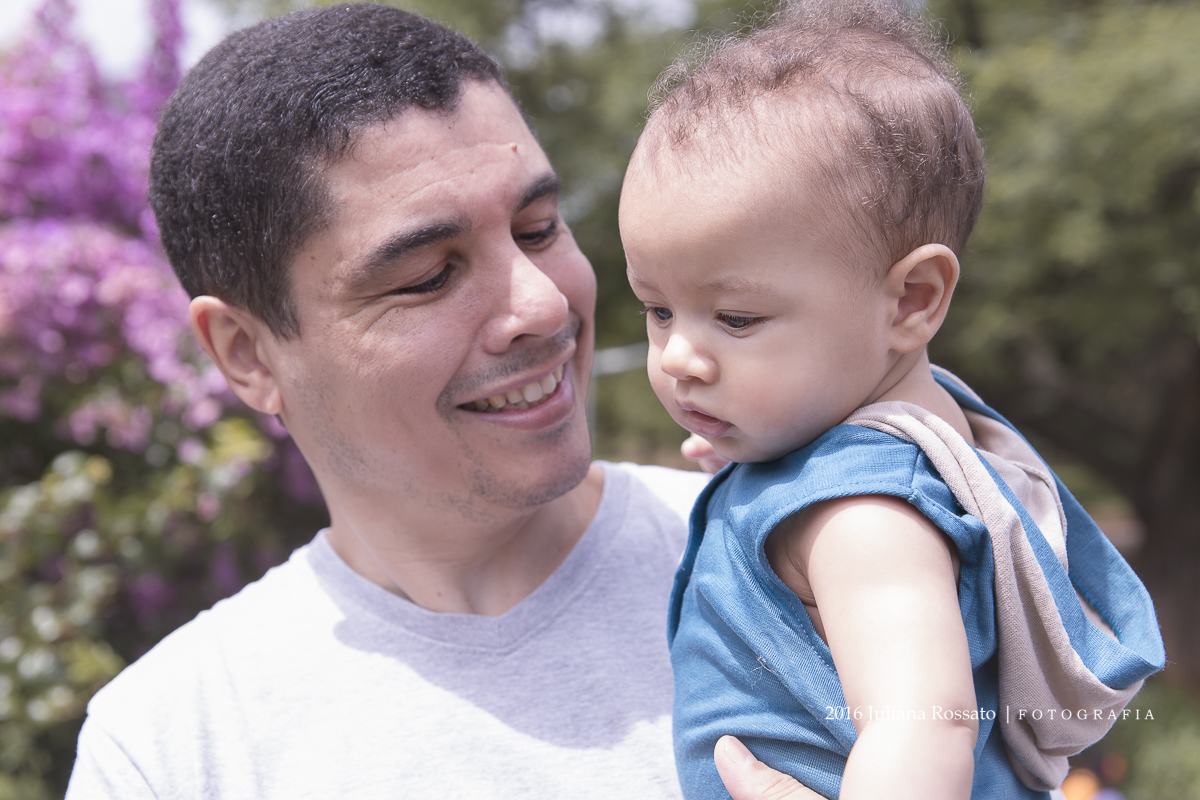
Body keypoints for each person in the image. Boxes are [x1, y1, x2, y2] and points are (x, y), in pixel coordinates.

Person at [63, 5, 817, 798]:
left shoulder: (812, 559)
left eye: (539, 228)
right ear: (248, 354)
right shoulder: (172, 748)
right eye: (427, 276)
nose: (543, 306)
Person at [618, 2, 1166, 799]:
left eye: (735, 318)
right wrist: (754, 465)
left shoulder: (861, 517)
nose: (679, 357)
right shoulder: (907, 445)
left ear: (911, 299)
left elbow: (924, 725)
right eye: (657, 309)